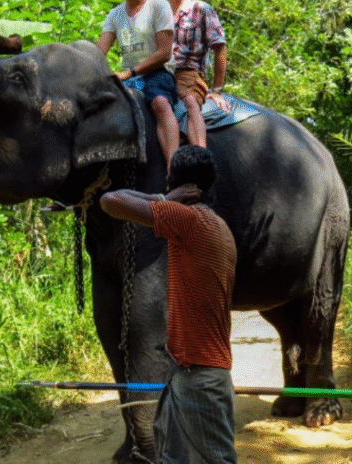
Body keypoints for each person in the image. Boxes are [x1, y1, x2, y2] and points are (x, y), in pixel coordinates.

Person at [100, 146, 237, 464]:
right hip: (188, 372)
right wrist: (166, 198)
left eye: (169, 174)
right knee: (171, 458)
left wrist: (164, 198)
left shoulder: (189, 220)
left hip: (200, 378)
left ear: (176, 181)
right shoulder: (214, 224)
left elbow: (111, 200)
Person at [97, 0, 180, 171]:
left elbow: (164, 53)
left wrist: (130, 72)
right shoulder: (115, 14)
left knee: (160, 103)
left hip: (158, 72)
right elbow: (99, 52)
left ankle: (174, 170)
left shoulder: (158, 6)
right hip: (130, 78)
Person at [163, 0, 231, 149]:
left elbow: (220, 49)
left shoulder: (201, 9)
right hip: (160, 73)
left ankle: (200, 155)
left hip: (189, 74)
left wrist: (217, 90)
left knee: (189, 103)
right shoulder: (159, 12)